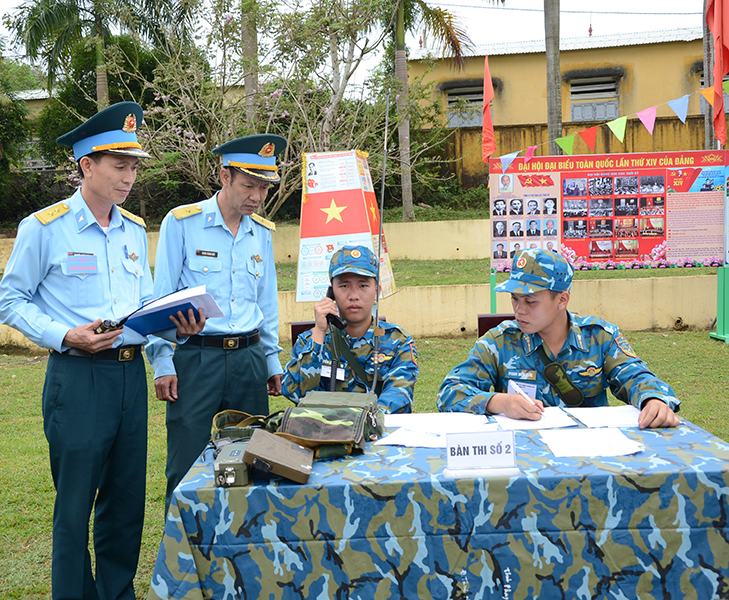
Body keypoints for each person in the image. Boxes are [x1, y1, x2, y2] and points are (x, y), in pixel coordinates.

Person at [0, 102, 203, 600]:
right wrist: (66, 335)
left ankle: (116, 593)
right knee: (74, 505)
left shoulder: (132, 229)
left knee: (126, 501)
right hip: (79, 378)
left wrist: (178, 328)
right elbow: (9, 301)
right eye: (119, 165)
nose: (129, 177)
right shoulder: (45, 227)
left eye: (133, 166)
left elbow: (144, 306)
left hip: (130, 379)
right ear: (87, 165)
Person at [147, 133, 285, 508]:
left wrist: (271, 361)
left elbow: (266, 303)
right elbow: (158, 300)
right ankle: (183, 556)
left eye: (264, 188)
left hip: (249, 359)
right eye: (249, 185)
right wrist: (161, 362)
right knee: (186, 463)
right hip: (196, 359)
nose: (257, 196)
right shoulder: (182, 223)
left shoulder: (262, 233)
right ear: (224, 176)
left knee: (252, 462)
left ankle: (243, 548)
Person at [437, 249, 680, 429]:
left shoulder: (598, 337)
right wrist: (498, 402)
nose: (519, 310)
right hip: (525, 456)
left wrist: (653, 399)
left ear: (562, 300)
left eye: (530, 301)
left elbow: (636, 376)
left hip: (589, 455)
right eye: (515, 299)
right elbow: (449, 392)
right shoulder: (499, 342)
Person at [282, 245, 418, 413]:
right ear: (331, 293)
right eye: (344, 286)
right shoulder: (310, 340)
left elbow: (399, 396)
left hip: (375, 430)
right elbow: (294, 393)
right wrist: (319, 332)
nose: (354, 295)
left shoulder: (398, 341)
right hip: (324, 434)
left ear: (377, 291)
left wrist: (361, 423)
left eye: (363, 286)